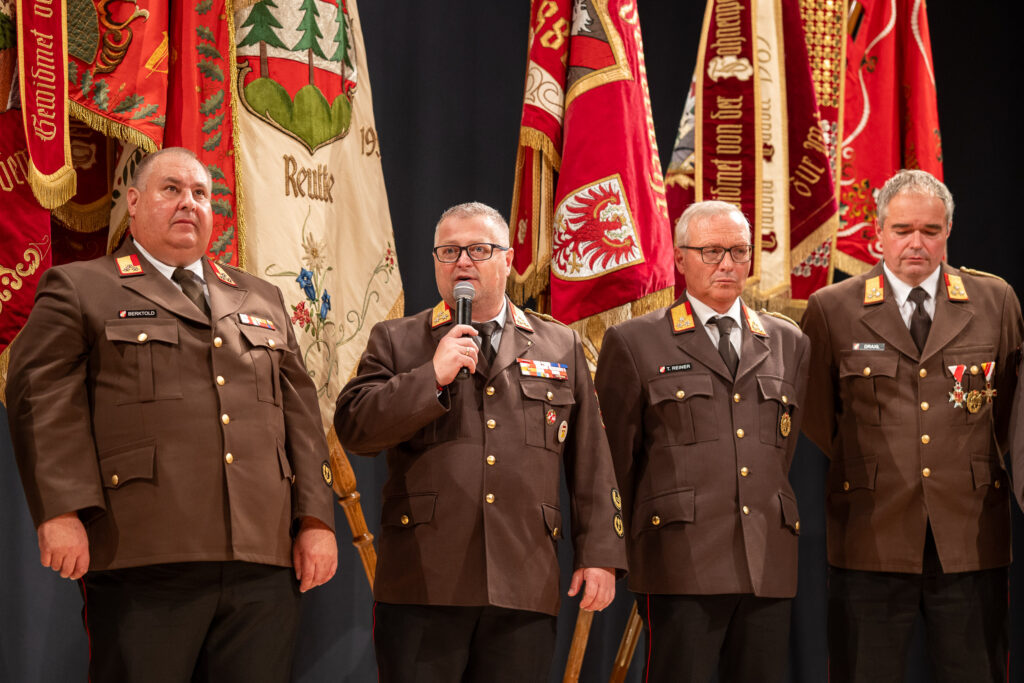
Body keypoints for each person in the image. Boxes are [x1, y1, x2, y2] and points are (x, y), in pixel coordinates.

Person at [5, 147, 338, 683]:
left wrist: (317, 521)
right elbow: (41, 400)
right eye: (172, 189)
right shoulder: (82, 287)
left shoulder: (262, 297)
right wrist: (60, 510)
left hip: (263, 554)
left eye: (201, 193)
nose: (189, 202)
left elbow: (301, 418)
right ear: (134, 203)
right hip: (144, 552)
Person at [334, 201, 625, 682]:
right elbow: (355, 429)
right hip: (423, 583)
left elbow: (591, 459)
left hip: (524, 579)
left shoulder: (559, 344)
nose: (463, 262)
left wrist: (599, 555)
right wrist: (430, 376)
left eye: (478, 249)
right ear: (435, 262)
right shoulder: (398, 339)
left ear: (508, 260)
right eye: (449, 251)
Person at [801, 169, 1023, 682]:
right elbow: (817, 417)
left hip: (969, 534)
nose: (916, 243)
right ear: (878, 232)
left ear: (949, 232)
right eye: (902, 230)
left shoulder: (995, 301)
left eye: (930, 230)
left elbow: (1011, 412)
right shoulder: (833, 308)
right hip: (870, 533)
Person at [595, 200, 809, 682]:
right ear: (679, 258)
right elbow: (615, 464)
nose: (726, 264)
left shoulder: (788, 341)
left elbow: (781, 451)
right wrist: (613, 552)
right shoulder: (635, 341)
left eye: (738, 251)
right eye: (711, 251)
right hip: (678, 559)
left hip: (766, 562)